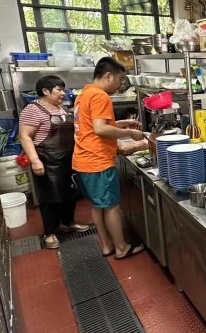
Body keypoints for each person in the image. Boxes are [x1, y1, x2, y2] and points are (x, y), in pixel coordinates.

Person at [73, 57, 145, 259]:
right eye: (120, 79)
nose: (120, 85)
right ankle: (121, 248)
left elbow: (91, 124)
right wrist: (130, 133)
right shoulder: (100, 96)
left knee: (98, 206)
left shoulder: (84, 94)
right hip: (98, 161)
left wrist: (121, 123)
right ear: (108, 76)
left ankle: (106, 245)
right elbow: (100, 129)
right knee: (112, 207)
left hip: (83, 160)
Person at [18, 75, 90, 249]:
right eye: (59, 90)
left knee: (70, 193)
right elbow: (25, 136)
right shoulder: (33, 109)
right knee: (49, 198)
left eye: (63, 90)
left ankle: (67, 223)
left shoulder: (61, 108)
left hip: (68, 158)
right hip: (47, 160)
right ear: (45, 91)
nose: (63, 93)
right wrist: (35, 161)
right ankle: (50, 233)